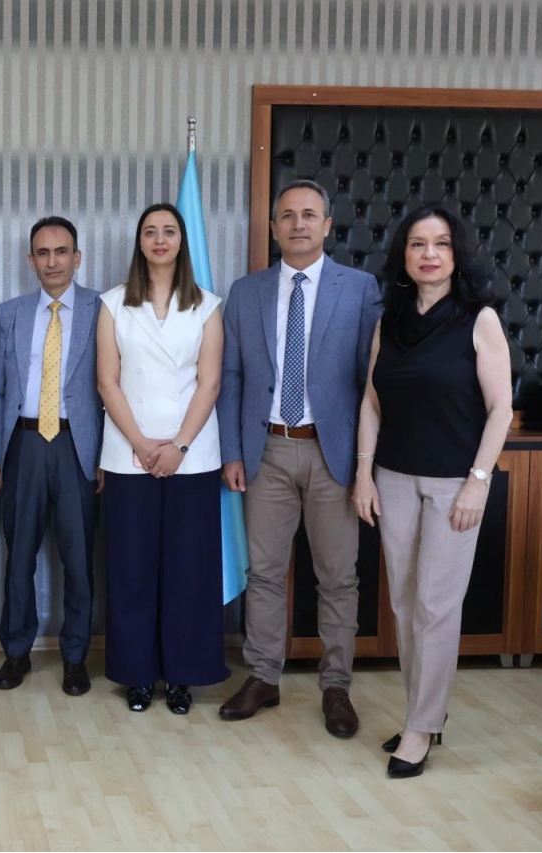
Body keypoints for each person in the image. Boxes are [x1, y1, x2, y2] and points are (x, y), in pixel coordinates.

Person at [217, 179, 381, 738]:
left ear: (328, 225)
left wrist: (365, 462)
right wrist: (233, 451)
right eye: (287, 215)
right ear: (273, 227)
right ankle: (263, 676)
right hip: (266, 450)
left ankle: (336, 687)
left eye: (309, 214)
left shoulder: (359, 289)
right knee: (263, 572)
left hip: (333, 454)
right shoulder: (246, 292)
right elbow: (231, 376)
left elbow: (372, 381)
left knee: (337, 577)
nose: (298, 224)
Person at [353, 206, 512, 778]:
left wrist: (478, 482)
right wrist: (363, 474)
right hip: (393, 478)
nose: (429, 254)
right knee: (404, 605)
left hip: (454, 485)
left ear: (456, 254)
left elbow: (501, 409)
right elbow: (372, 402)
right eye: (418, 244)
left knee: (437, 608)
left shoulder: (479, 320)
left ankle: (421, 728)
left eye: (440, 244)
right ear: (404, 256)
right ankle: (424, 714)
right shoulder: (388, 322)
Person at [97, 203, 227, 714]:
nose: (159, 239)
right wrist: (141, 443)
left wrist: (179, 447)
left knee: (187, 570)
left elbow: (209, 382)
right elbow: (107, 382)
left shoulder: (208, 306)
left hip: (191, 457)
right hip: (128, 454)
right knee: (131, 568)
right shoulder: (113, 304)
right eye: (150, 231)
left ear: (181, 241)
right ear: (139, 242)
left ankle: (181, 676)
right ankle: (137, 675)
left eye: (169, 231)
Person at [0, 216, 103, 695]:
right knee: (20, 555)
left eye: (61, 252)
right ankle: (17, 651)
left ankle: (75, 656)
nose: (52, 261)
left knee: (79, 558)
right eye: (42, 252)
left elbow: (116, 386)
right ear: (31, 260)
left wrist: (105, 455)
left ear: (77, 258)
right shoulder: (10, 313)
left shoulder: (102, 309)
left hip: (80, 446)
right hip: (23, 444)